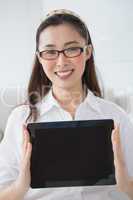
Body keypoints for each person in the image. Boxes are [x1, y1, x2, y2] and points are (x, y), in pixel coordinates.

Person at [0, 9, 133, 200]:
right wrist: (21, 186)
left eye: (71, 49)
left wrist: (126, 184)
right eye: (50, 52)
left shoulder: (115, 116)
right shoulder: (21, 119)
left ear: (87, 51)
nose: (61, 61)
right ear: (39, 57)